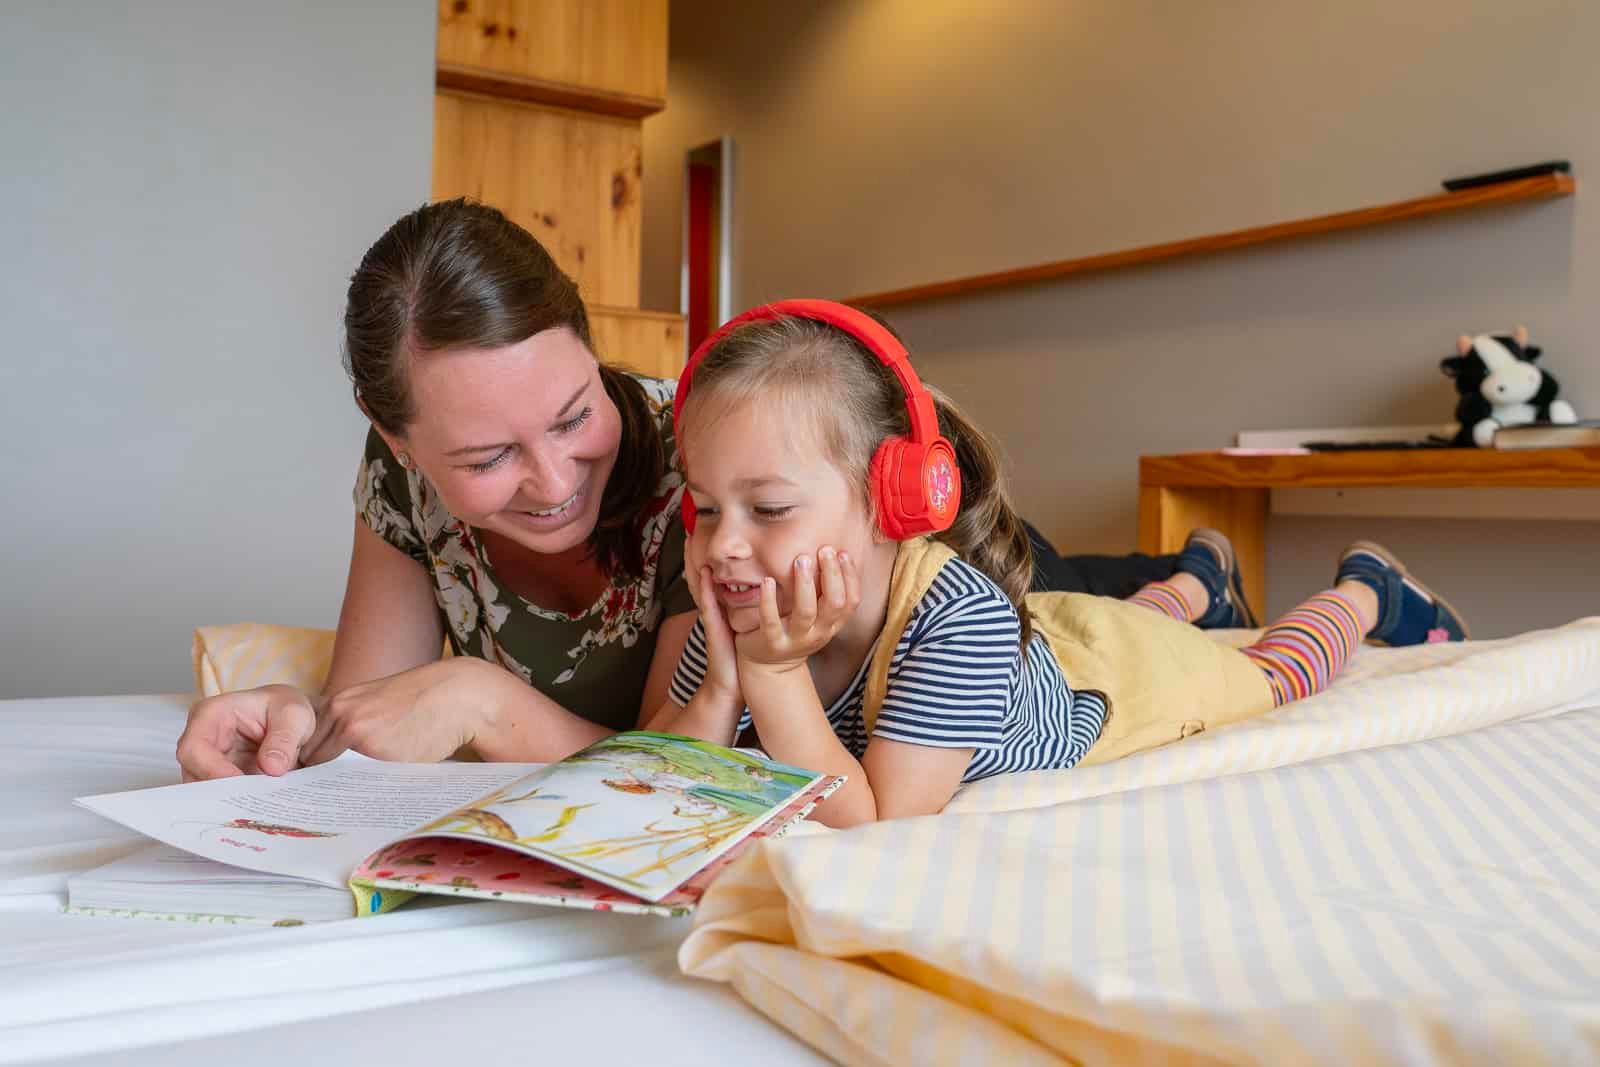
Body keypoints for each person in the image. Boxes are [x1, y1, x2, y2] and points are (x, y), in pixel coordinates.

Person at [175, 201, 1254, 782]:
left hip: (898, 576)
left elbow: (702, 740)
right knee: (1125, 613)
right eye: (485, 459)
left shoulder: (700, 469)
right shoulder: (401, 483)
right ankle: (1190, 580)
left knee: (1093, 612)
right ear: (402, 446)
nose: (555, 483)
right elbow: (382, 709)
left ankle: (1194, 578)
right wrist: (293, 727)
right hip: (835, 645)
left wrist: (488, 698)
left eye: (570, 415)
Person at [648, 300, 1469, 828]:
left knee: (1257, 670)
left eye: (771, 508)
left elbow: (876, 817)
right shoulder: (742, 600)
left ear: (894, 499)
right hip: (1055, 650)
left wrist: (773, 673)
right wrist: (724, 681)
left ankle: (1366, 590)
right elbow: (657, 767)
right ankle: (1202, 578)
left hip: (1114, 696)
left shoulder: (956, 615)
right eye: (707, 506)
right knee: (1114, 622)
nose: (722, 543)